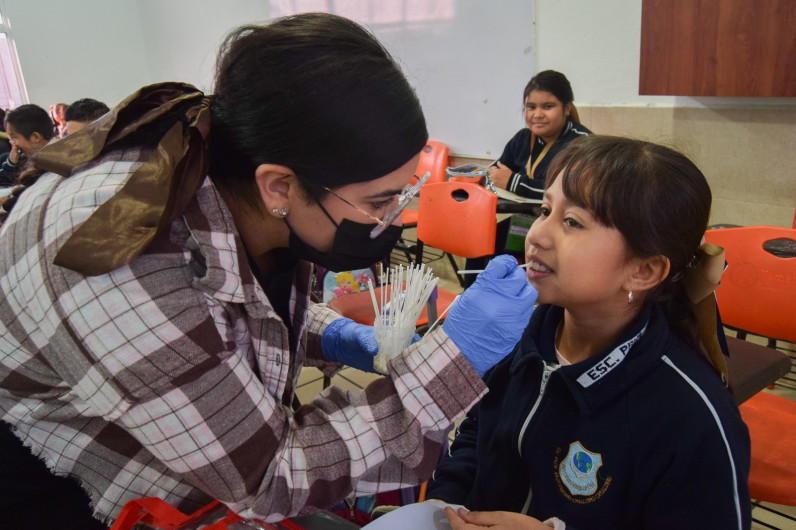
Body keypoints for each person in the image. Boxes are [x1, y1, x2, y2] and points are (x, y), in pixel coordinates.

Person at [0, 13, 536, 528]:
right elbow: (268, 476)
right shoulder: (122, 259)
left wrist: (335, 335)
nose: (393, 217)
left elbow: (239, 305)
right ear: (280, 186)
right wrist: (452, 363)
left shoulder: (236, 175)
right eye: (381, 199)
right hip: (67, 484)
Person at [428, 135, 751, 529]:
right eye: (545, 209)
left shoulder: (692, 418)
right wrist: (447, 506)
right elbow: (476, 434)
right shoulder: (517, 336)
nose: (537, 236)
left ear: (643, 270)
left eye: (572, 222)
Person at [488, 70, 591, 200]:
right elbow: (495, 172)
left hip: (561, 219)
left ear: (567, 108)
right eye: (531, 107)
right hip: (521, 216)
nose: (538, 115)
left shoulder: (583, 144)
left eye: (548, 107)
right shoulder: (522, 138)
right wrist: (488, 175)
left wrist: (513, 182)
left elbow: (569, 191)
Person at [0, 103, 54, 187]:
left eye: (14, 137)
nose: (11, 142)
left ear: (35, 137)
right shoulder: (26, 157)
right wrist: (11, 164)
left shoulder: (52, 164)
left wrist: (10, 166)